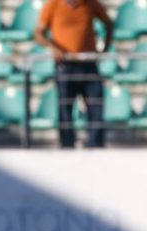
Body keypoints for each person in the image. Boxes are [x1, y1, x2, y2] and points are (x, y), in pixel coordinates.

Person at [34, 0, 113, 148]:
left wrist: (105, 49)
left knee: (96, 107)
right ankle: (67, 146)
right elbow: (38, 33)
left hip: (88, 64)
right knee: (65, 108)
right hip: (65, 65)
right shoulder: (53, 5)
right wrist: (53, 47)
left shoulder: (90, 3)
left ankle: (96, 146)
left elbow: (108, 23)